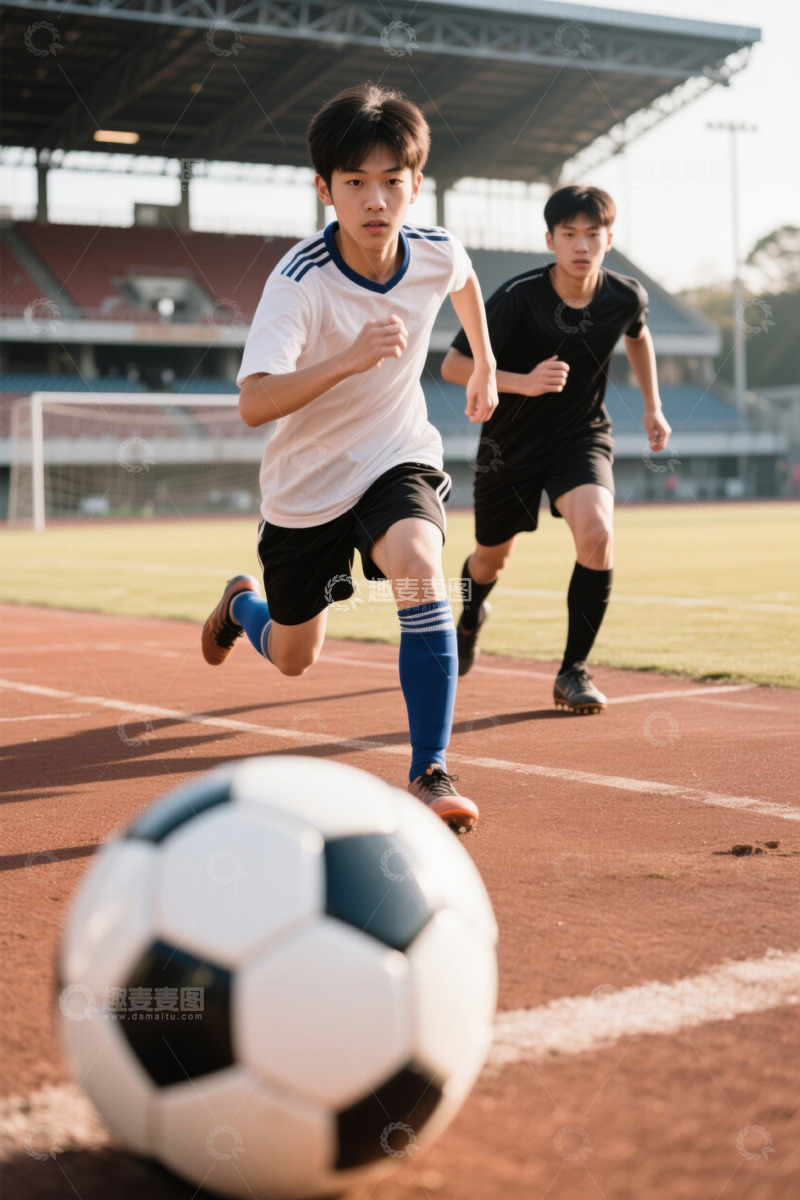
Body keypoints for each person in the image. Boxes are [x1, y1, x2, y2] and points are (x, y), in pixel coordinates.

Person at [201, 83, 498, 832]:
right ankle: (243, 602)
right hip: (306, 488)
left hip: (396, 455)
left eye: (392, 181)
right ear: (324, 189)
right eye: (355, 183)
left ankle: (429, 767)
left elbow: (464, 284)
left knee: (420, 570)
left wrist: (486, 364)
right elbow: (253, 403)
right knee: (296, 655)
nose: (376, 199)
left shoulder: (435, 251)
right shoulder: (297, 283)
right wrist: (347, 360)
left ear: (415, 185)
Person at [442, 184, 671, 712]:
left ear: (609, 239)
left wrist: (652, 405)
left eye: (593, 234)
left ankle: (572, 671)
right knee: (490, 562)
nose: (581, 244)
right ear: (550, 239)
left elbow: (637, 333)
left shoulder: (624, 295)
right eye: (569, 233)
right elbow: (454, 366)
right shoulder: (518, 296)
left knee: (598, 532)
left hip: (581, 435)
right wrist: (524, 381)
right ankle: (472, 619)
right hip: (510, 444)